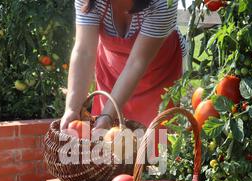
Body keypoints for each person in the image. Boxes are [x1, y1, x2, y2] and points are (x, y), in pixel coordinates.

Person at [60, 0, 187, 132]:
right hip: (111, 72)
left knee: (155, 143)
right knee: (105, 142)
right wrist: (72, 109)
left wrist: (107, 116)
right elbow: (84, 51)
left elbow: (137, 62)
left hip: (159, 77)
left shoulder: (162, 3)